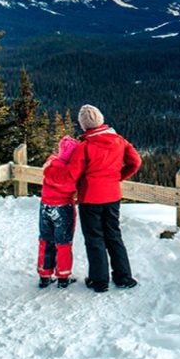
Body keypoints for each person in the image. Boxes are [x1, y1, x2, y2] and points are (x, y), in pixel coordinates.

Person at [48, 104, 142, 293]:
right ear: (101, 120)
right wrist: (117, 177)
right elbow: (135, 162)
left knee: (94, 239)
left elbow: (70, 176)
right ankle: (124, 277)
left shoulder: (85, 147)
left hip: (90, 198)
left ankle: (99, 281)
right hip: (112, 196)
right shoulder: (119, 140)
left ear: (83, 126)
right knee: (114, 235)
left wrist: (51, 168)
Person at [37, 135, 79, 289]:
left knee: (45, 240)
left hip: (46, 206)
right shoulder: (72, 172)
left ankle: (44, 274)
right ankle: (63, 275)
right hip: (63, 208)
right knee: (63, 242)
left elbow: (52, 159)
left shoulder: (50, 166)